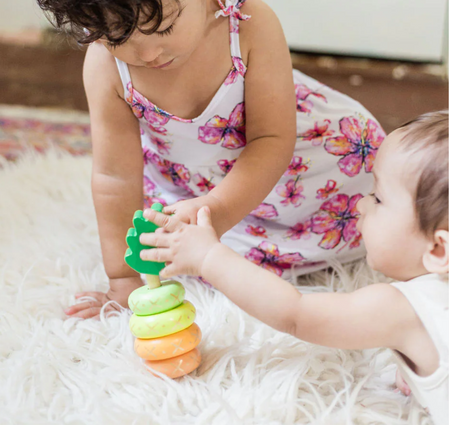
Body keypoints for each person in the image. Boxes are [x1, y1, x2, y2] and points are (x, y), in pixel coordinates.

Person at [27, 0, 384, 319]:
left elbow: (272, 140)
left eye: (164, 26)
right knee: (173, 238)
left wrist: (216, 211)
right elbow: (114, 176)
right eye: (117, 37)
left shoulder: (248, 21)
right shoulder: (104, 65)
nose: (147, 54)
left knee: (370, 204)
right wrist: (124, 279)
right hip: (192, 180)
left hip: (294, 164)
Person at [139, 110, 448, 425]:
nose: (360, 204)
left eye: (378, 198)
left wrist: (208, 257)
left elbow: (295, 313)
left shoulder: (400, 309)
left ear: (438, 249)